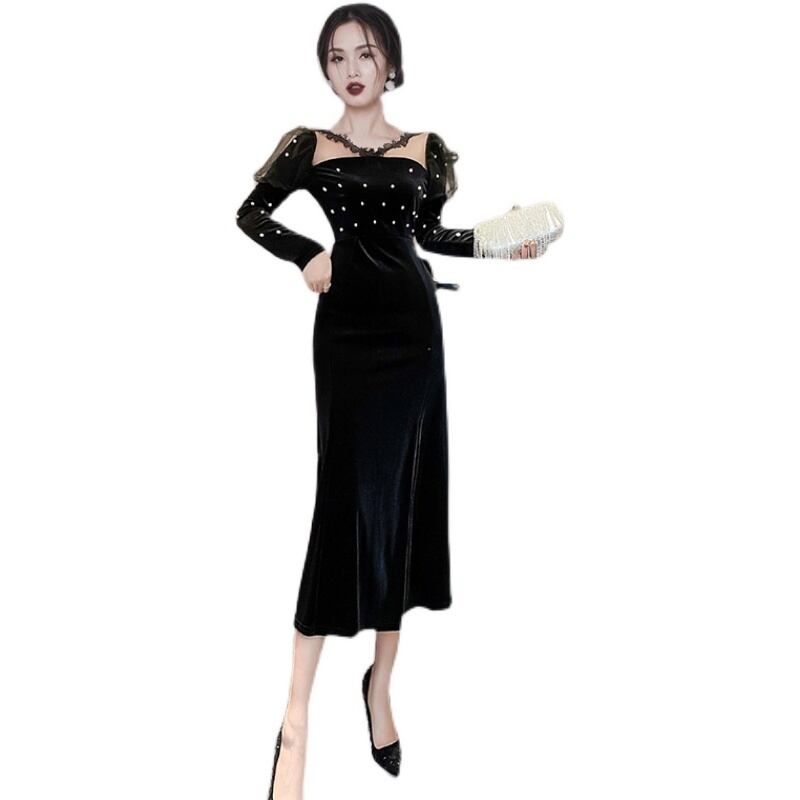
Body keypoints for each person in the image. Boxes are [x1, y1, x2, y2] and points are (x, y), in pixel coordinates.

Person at [235, 5, 537, 798]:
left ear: (391, 63)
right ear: (325, 69)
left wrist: (502, 242)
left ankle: (380, 685)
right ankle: (294, 720)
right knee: (342, 506)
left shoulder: (424, 148)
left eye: (365, 54)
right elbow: (250, 214)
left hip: (414, 339)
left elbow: (430, 237)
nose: (351, 69)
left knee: (403, 500)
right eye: (336, 57)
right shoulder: (308, 145)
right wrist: (307, 253)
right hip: (347, 341)